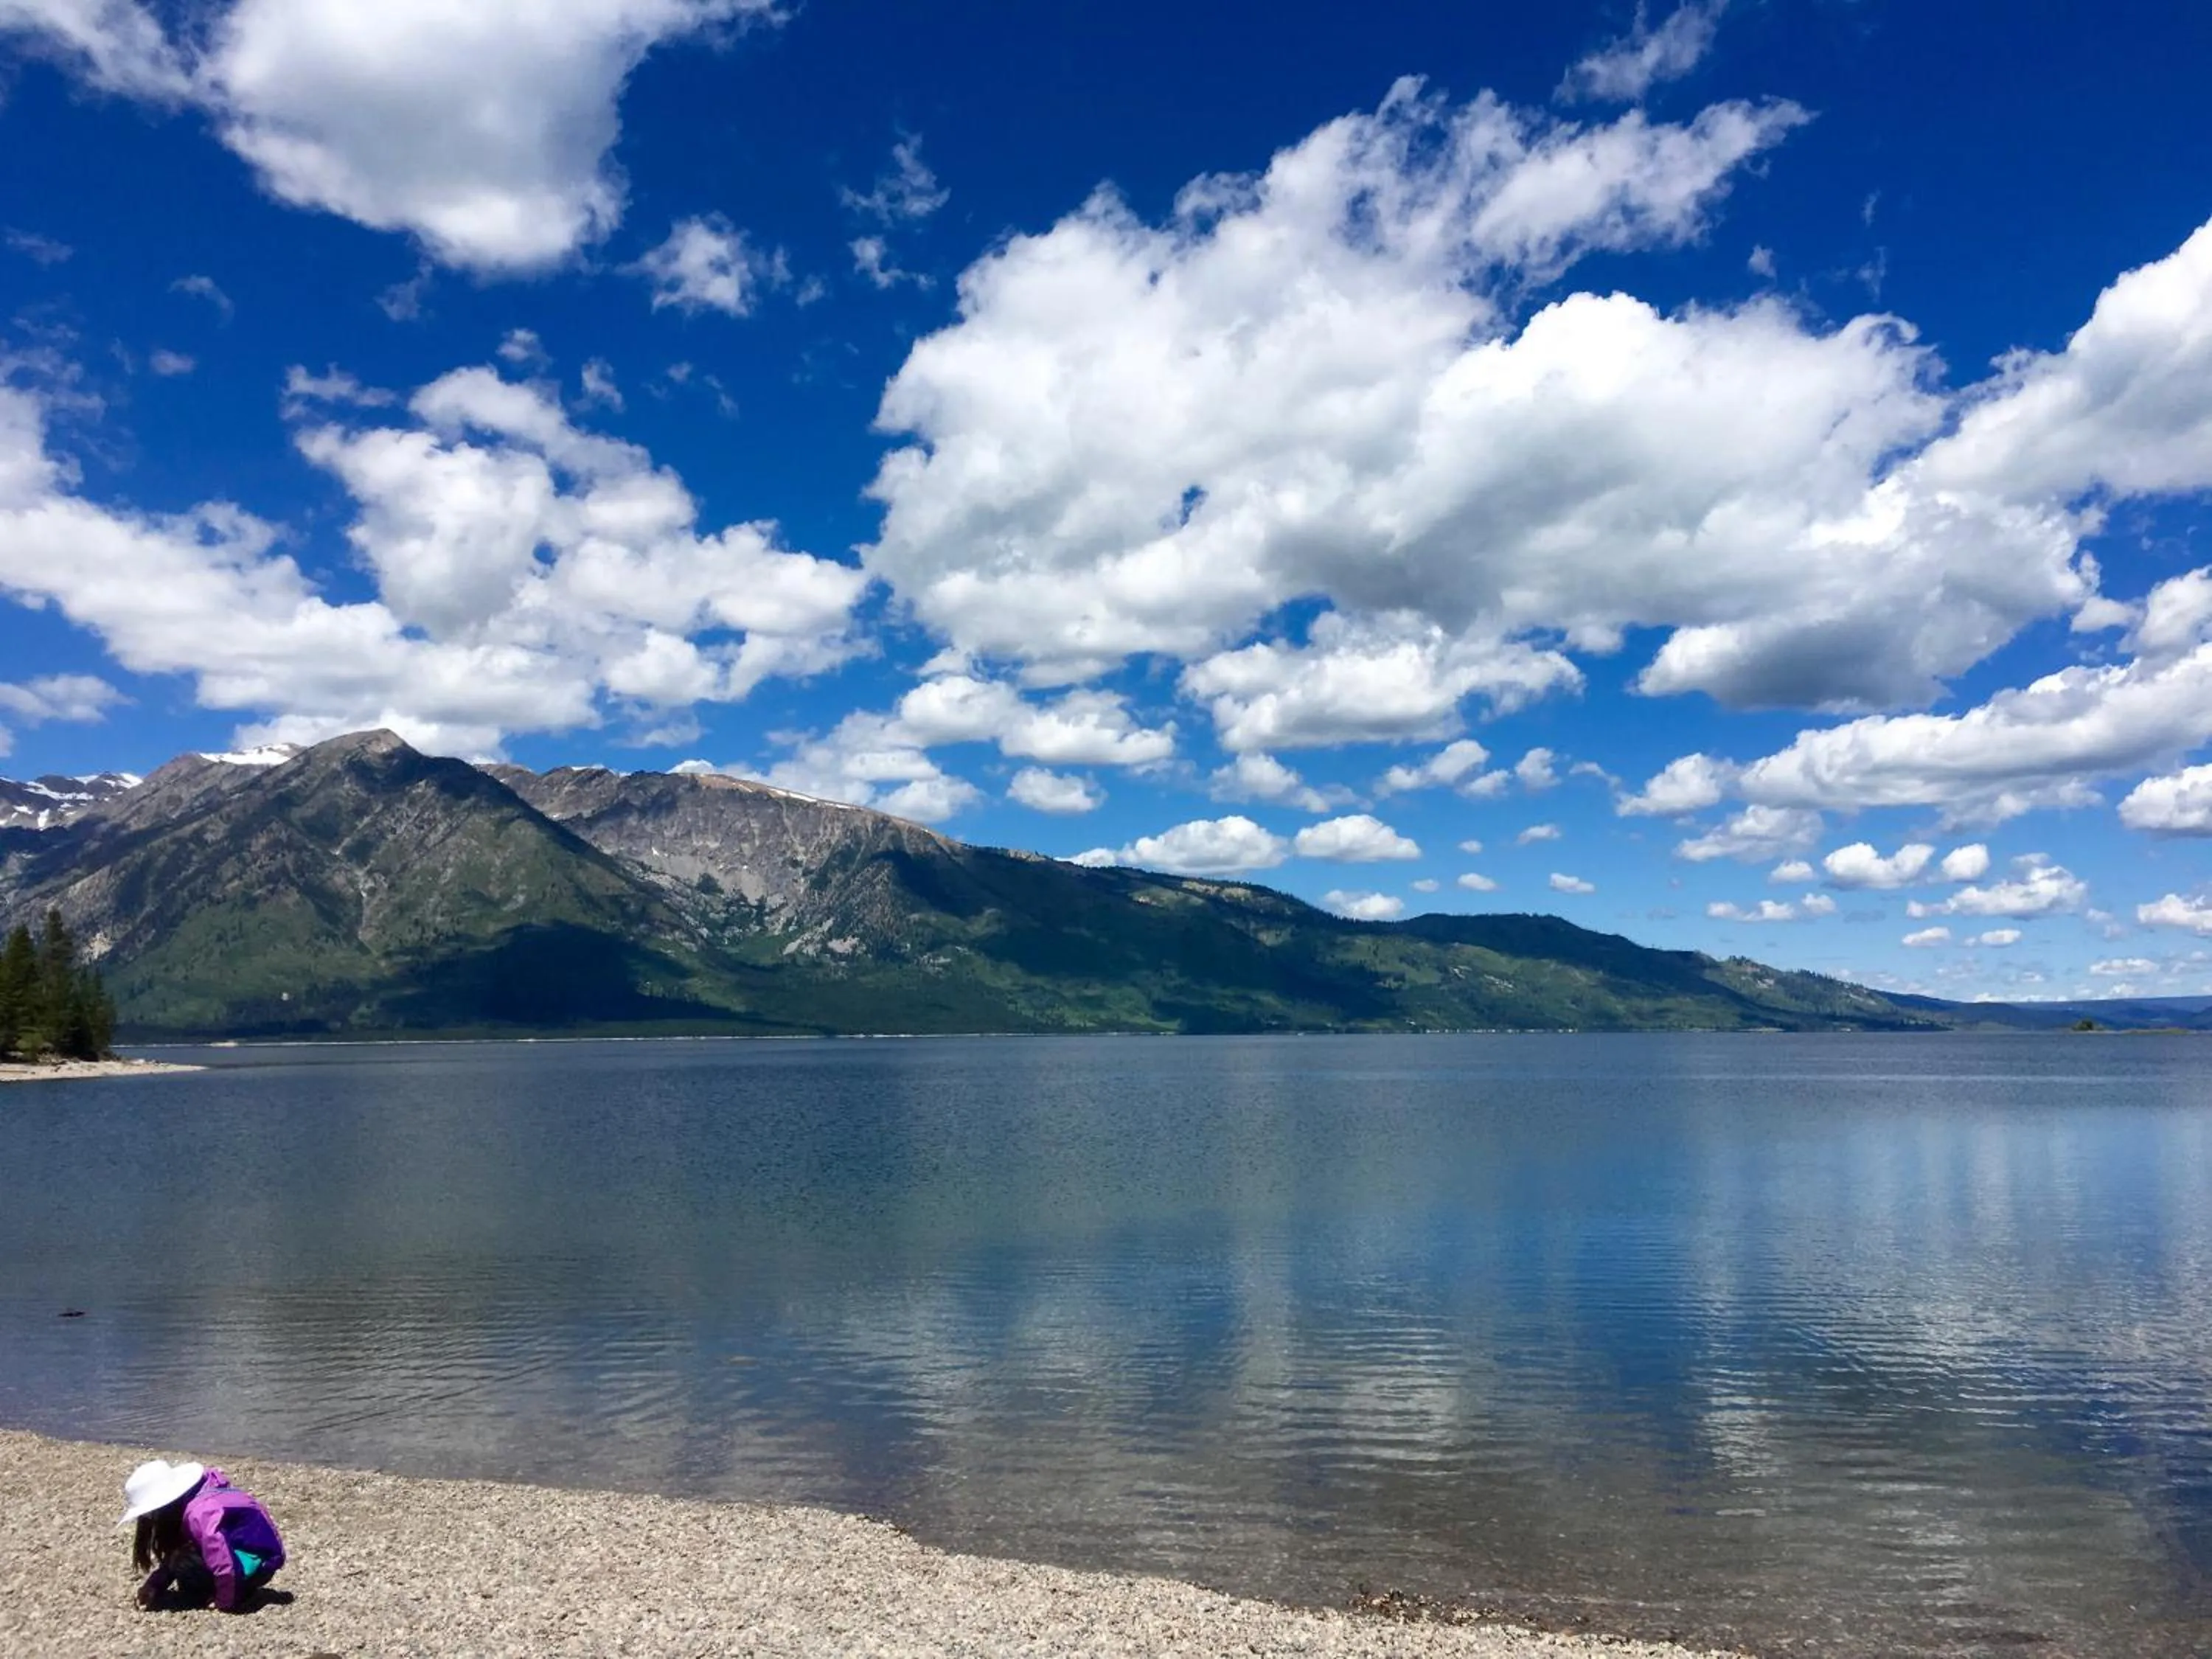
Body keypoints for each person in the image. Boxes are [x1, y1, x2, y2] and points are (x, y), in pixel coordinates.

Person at [120, 1458, 286, 1612]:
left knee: (184, 1562)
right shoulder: (198, 1492)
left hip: (259, 1566)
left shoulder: (199, 1513)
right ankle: (229, 1588)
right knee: (183, 1556)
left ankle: (238, 1592)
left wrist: (225, 1601)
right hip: (254, 1556)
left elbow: (222, 1559)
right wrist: (154, 1585)